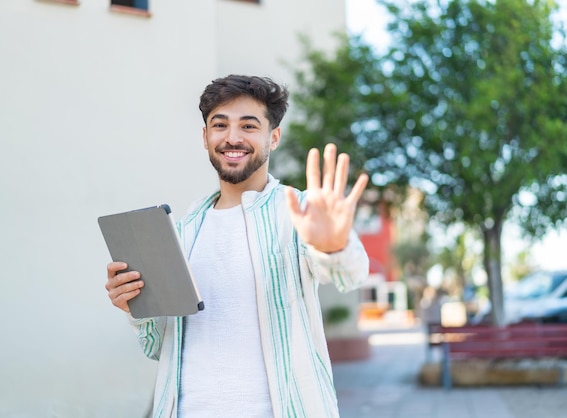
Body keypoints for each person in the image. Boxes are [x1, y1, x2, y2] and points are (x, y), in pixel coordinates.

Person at [105, 74, 370, 417]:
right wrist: (134, 307)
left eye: (248, 126)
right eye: (220, 125)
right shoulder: (184, 232)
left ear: (273, 137)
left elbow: (351, 274)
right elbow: (159, 346)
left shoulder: (298, 212)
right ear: (205, 137)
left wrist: (334, 247)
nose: (232, 138)